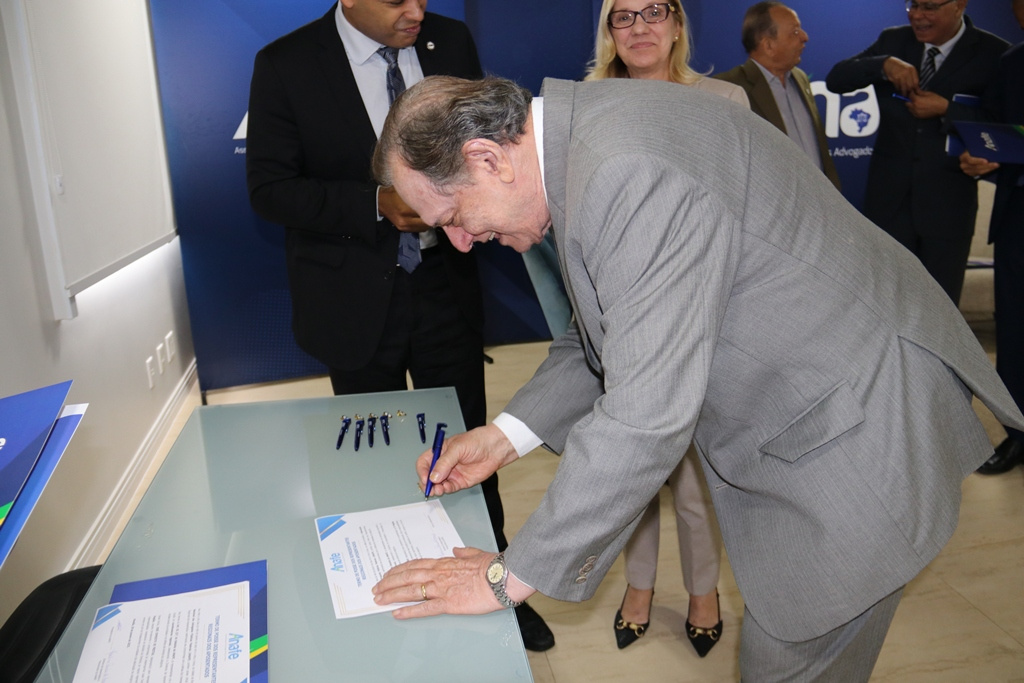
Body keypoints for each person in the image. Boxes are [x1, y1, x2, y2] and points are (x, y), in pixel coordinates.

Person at [367, 74, 1024, 681]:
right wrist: (505, 436)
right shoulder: (585, 139)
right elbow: (613, 326)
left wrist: (505, 579)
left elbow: (644, 416)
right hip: (829, 395)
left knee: (788, 664)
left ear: (488, 158)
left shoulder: (623, 171)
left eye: (451, 218)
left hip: (855, 433)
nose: (461, 241)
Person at [245, 1, 554, 651]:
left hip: (446, 288)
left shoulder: (450, 40)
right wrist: (377, 203)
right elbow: (270, 189)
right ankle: (381, 594)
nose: (415, 10)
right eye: (394, 0)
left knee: (468, 450)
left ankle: (496, 584)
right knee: (370, 460)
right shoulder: (286, 64)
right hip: (353, 300)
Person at [583, 0, 747, 656]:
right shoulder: (589, 104)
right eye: (623, 16)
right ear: (609, 32)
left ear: (677, 24)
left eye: (654, 11)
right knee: (634, 469)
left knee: (695, 476)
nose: (640, 27)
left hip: (705, 315)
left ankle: (704, 590)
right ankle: (639, 585)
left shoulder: (724, 100)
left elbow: (744, 207)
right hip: (620, 319)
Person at [825, 0, 1008, 305]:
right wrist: (883, 64)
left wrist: (947, 109)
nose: (918, 16)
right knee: (884, 306)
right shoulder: (893, 41)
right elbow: (836, 79)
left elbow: (1003, 126)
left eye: (929, 7)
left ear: (959, 5)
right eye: (913, 5)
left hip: (947, 211)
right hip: (888, 208)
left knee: (940, 311)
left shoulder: (994, 53)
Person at [958, 0, 1024, 474]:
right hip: (1017, 218)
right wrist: (979, 159)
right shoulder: (1011, 63)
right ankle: (1016, 434)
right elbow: (993, 132)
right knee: (1015, 334)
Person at [715, 2, 840, 190]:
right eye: (795, 32)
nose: (805, 37)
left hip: (820, 200)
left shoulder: (801, 78)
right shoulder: (729, 88)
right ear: (768, 45)